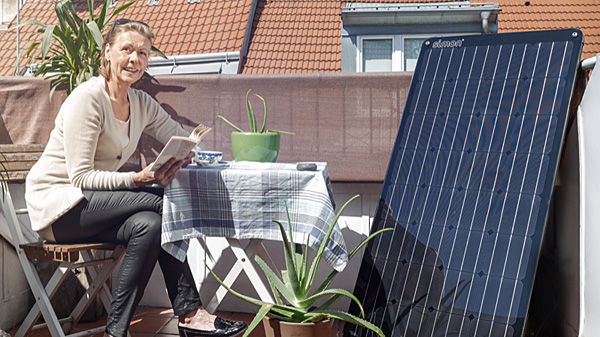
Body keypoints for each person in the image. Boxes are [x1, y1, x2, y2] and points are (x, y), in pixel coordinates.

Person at [24, 19, 247, 337]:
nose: (134, 59)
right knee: (164, 201)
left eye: (142, 53)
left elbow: (181, 136)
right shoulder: (87, 99)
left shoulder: (141, 103)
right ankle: (191, 313)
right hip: (60, 208)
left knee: (151, 225)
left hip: (96, 208)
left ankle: (116, 331)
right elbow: (81, 177)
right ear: (108, 52)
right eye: (126, 49)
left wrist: (195, 155)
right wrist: (136, 178)